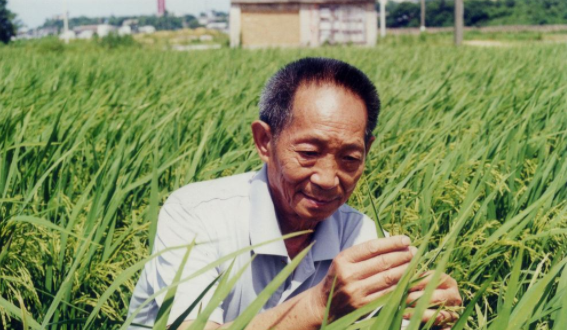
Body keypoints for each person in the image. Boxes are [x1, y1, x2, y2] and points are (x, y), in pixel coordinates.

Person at [127, 58, 461, 330]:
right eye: (308, 152)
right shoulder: (195, 213)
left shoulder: (362, 236)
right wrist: (319, 306)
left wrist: (427, 313)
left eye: (350, 158)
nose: (329, 179)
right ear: (264, 142)